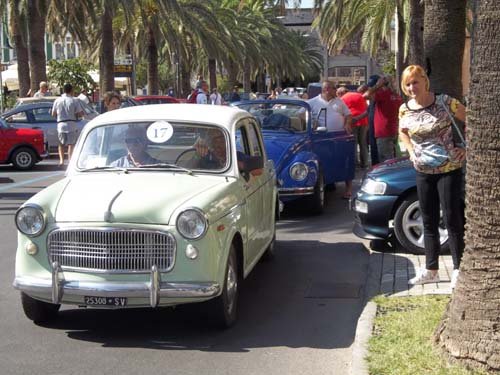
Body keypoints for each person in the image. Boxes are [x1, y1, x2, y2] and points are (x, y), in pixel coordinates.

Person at [399, 65, 466, 288]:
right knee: (428, 221)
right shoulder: (404, 109)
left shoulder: (445, 102)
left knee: (451, 218)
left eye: (415, 82)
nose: (411, 87)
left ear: (425, 81)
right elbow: (402, 132)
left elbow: (472, 119)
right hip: (423, 171)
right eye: (407, 84)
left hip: (448, 169)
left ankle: (458, 269)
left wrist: (465, 148)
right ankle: (431, 269)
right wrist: (410, 152)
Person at [307, 79, 353, 199]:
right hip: (321, 138)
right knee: (324, 162)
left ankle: (348, 189)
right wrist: (311, 123)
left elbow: (348, 115)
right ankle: (326, 184)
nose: (336, 90)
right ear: (327, 89)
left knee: (345, 161)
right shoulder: (312, 102)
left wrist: (347, 124)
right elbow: (302, 115)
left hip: (338, 136)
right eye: (334, 88)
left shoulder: (339, 102)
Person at [363, 75, 402, 162]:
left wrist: (377, 86)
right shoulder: (396, 95)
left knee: (386, 160)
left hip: (383, 131)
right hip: (393, 130)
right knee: (392, 157)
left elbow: (365, 95)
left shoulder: (384, 94)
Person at [51, 83, 84, 167]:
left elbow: (53, 114)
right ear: (71, 90)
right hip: (71, 124)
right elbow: (80, 113)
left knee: (61, 144)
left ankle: (61, 161)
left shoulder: (57, 100)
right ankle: (70, 161)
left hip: (61, 124)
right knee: (71, 144)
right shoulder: (74, 100)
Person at [337, 86, 369, 169]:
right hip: (363, 121)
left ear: (341, 93)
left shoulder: (343, 98)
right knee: (363, 143)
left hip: (352, 122)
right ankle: (365, 163)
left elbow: (342, 112)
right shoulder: (359, 95)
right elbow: (366, 108)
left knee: (353, 144)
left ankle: (355, 164)